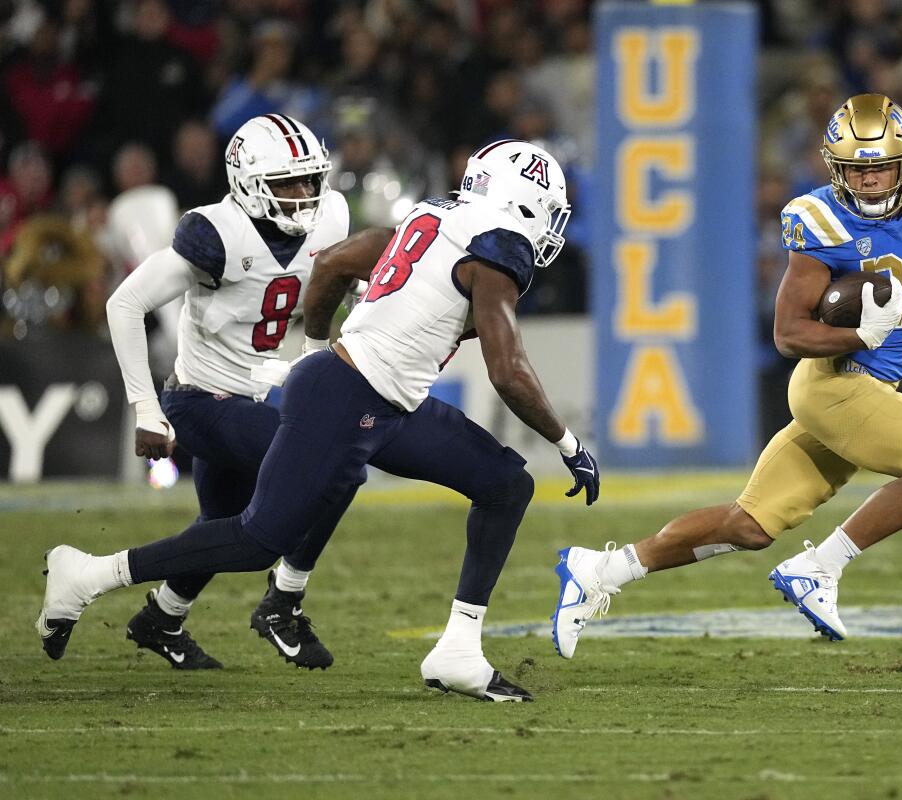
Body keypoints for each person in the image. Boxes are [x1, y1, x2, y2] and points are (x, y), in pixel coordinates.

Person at [39, 139, 599, 703]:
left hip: (384, 400)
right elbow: (508, 371)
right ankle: (89, 574)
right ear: (521, 201)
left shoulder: (437, 213)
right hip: (349, 396)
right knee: (258, 537)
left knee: (504, 483)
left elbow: (333, 264)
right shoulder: (498, 248)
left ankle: (458, 649)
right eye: (548, 208)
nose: (549, 224)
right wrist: (568, 441)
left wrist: (314, 347)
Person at [551, 94, 902, 658]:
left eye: (880, 166)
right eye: (856, 168)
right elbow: (788, 333)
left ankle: (602, 570)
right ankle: (819, 567)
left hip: (870, 390)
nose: (871, 181)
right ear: (836, 167)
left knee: (749, 526)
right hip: (833, 383)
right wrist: (861, 337)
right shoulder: (820, 220)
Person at [102, 113, 356, 670]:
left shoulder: (331, 215)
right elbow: (124, 303)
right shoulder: (217, 233)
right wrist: (146, 409)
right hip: (202, 399)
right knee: (334, 464)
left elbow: (344, 282)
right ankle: (284, 600)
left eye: (309, 180)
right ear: (248, 183)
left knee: (223, 525)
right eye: (286, 184)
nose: (303, 195)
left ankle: (161, 618)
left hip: (265, 386)